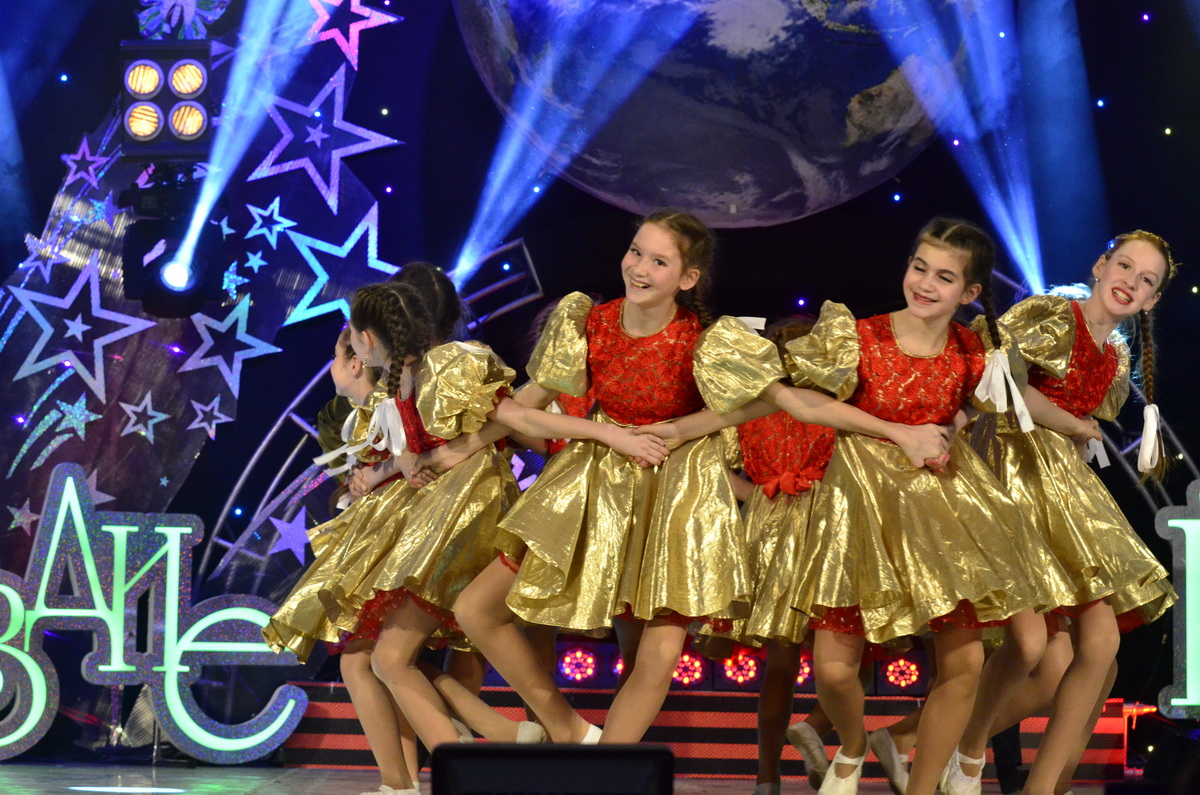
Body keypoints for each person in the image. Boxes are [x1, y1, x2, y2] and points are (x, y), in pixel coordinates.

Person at [437, 209, 952, 747]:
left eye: (659, 262)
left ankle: (606, 768)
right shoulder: (588, 322)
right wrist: (467, 446)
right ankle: (568, 730)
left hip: (675, 497)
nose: (639, 268)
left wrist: (900, 433)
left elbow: (790, 401)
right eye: (636, 252)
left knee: (658, 653)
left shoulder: (706, 341)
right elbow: (524, 406)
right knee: (477, 609)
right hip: (591, 486)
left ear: (687, 278)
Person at [758, 217, 1081, 795]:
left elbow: (982, 402)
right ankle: (851, 745)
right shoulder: (859, 335)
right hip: (861, 506)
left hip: (941, 507)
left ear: (969, 292)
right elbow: (804, 402)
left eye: (944, 277)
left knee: (964, 664)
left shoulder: (972, 350)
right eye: (919, 268)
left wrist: (953, 426)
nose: (926, 284)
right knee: (833, 668)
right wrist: (896, 432)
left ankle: (925, 785)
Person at [941, 231, 1179, 795]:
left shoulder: (1116, 358)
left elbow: (1080, 427)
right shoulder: (1052, 314)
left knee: (1100, 646)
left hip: (1061, 487)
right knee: (1044, 644)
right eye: (1124, 266)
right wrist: (1073, 424)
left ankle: (1035, 783)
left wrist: (1075, 434)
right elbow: (1001, 384)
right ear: (1100, 265)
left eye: (1146, 280)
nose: (1130, 282)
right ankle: (962, 754)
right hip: (1011, 471)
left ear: (1151, 300)